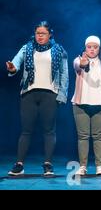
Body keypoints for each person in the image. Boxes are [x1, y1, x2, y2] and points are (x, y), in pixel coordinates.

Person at [6, 21, 68, 176]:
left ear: (50, 34)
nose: (40, 36)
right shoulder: (27, 48)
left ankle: (48, 164)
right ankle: (19, 164)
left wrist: (62, 95)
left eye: (43, 33)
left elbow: (64, 75)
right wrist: (13, 68)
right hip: (29, 93)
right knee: (26, 130)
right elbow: (16, 62)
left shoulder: (59, 50)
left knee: (49, 131)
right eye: (37, 33)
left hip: (49, 93)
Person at [72, 36, 101, 176]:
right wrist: (84, 64)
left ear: (99, 48)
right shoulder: (78, 60)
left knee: (98, 136)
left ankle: (99, 166)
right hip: (81, 104)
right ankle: (83, 166)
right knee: (83, 136)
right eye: (89, 47)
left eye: (95, 47)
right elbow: (78, 66)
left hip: (100, 105)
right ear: (85, 48)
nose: (92, 49)